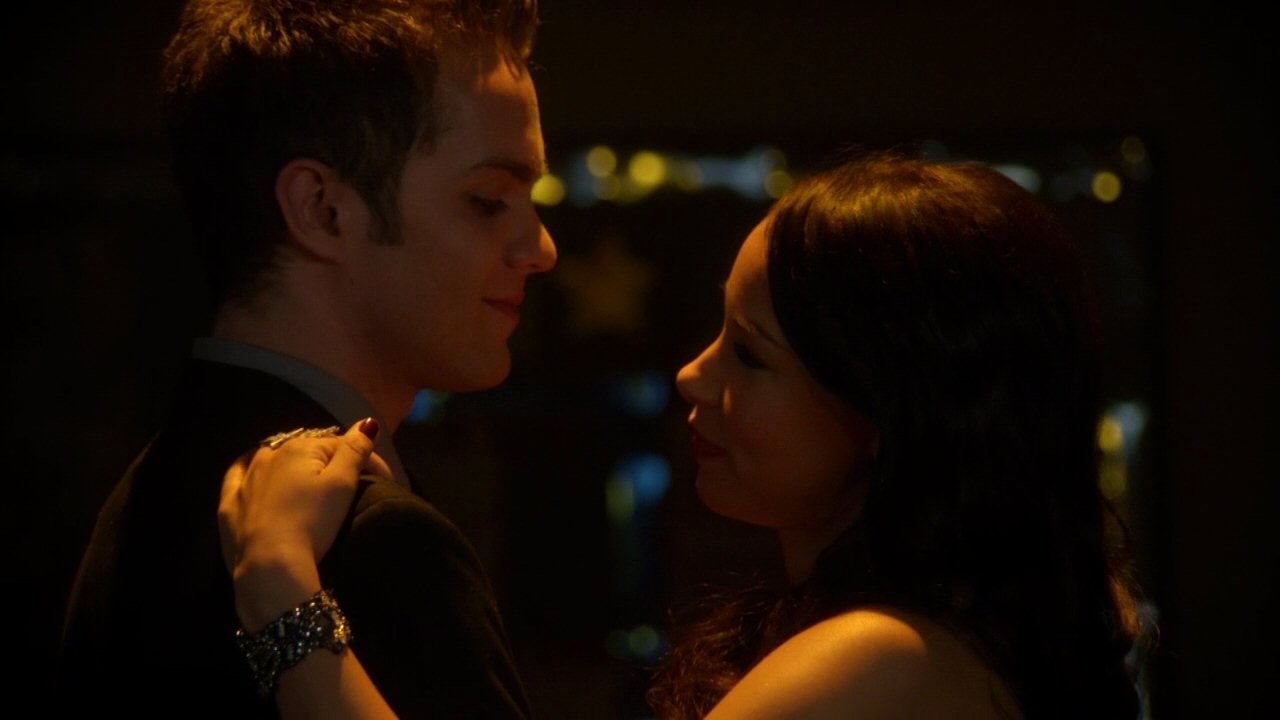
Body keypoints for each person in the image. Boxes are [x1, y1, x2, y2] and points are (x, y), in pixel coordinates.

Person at [219, 153, 1145, 718]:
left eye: (750, 354)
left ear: (884, 415)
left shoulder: (884, 659)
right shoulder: (941, 631)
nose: (691, 375)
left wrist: (280, 588)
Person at [57, 0, 553, 716]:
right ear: (321, 209)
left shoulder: (148, 494)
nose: (541, 249)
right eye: (488, 200)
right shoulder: (371, 537)